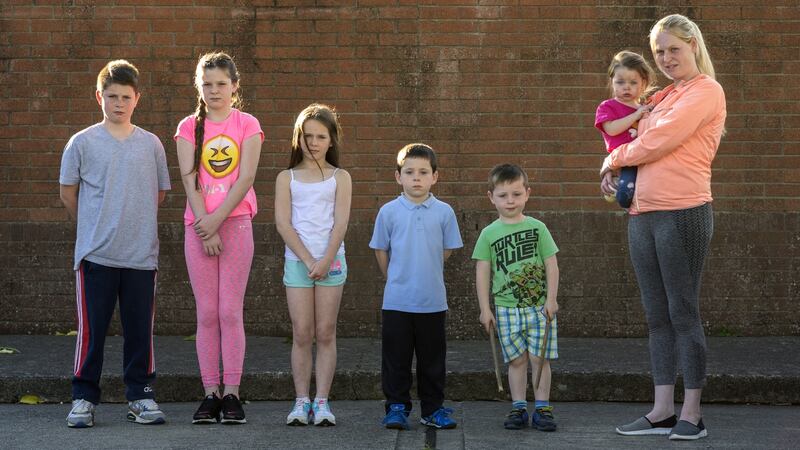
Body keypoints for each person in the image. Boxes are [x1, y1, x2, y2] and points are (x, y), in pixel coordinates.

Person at [600, 14, 726, 441]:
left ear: (693, 45)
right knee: (656, 317)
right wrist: (614, 172)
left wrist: (612, 160)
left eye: (674, 49)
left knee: (682, 313)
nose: (667, 58)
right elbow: (629, 140)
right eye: (659, 52)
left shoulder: (706, 91)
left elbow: (659, 141)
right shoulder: (661, 95)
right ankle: (662, 411)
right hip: (642, 214)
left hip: (683, 212)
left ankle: (692, 414)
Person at [59, 59, 171, 428]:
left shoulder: (151, 144)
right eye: (112, 96)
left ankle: (141, 395)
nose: (119, 103)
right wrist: (94, 226)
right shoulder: (82, 142)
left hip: (140, 256)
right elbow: (68, 193)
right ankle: (83, 398)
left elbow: (158, 194)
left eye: (125, 96)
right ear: (99, 97)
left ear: (137, 98)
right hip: (96, 255)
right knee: (91, 333)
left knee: (140, 333)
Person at [175, 52, 263, 425]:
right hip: (198, 228)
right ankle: (210, 392)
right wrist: (204, 224)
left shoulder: (247, 124)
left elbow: (246, 177)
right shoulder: (187, 127)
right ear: (199, 87)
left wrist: (217, 220)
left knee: (229, 311)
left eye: (222, 84)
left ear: (234, 86)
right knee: (207, 313)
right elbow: (189, 178)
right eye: (207, 84)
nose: (214, 91)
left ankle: (232, 394)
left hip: (235, 224)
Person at [370, 143, 463, 430]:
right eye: (409, 172)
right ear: (398, 177)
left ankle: (432, 409)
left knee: (432, 361)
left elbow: (446, 250)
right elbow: (381, 250)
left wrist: (425, 268)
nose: (416, 178)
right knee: (396, 359)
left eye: (423, 172)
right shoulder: (388, 212)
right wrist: (395, 277)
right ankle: (396, 407)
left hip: (432, 301)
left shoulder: (444, 212)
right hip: (397, 301)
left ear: (435, 176)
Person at [275, 103, 352, 426]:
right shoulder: (287, 178)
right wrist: (309, 260)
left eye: (321, 136)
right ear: (298, 138)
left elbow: (341, 223)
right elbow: (283, 223)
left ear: (332, 140)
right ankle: (301, 401)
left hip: (331, 263)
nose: (314, 142)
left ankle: (322, 402)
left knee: (325, 332)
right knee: (302, 332)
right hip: (299, 264)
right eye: (308, 136)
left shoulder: (340, 177)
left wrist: (326, 259)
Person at [472, 164, 560, 432]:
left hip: (539, 307)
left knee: (540, 359)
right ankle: (519, 407)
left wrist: (552, 299)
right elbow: (482, 272)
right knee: (516, 360)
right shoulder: (488, 234)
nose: (510, 201)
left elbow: (551, 264)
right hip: (506, 309)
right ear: (491, 197)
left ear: (527, 194)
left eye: (516, 194)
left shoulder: (538, 228)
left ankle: (542, 408)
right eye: (503, 195)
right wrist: (485, 309)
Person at [594, 51, 656, 207]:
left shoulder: (645, 108)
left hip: (645, 157)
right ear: (612, 82)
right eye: (620, 82)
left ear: (643, 83)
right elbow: (612, 129)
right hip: (624, 161)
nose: (626, 87)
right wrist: (636, 115)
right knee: (624, 196)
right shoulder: (607, 107)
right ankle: (619, 184)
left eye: (633, 83)